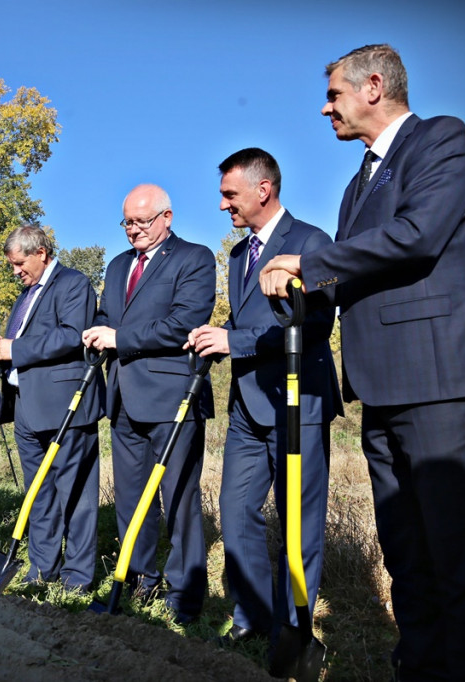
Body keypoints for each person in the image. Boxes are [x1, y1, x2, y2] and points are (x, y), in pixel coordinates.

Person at [260, 44, 465, 680]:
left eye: (334, 95)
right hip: (381, 386)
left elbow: (418, 236)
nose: (325, 108)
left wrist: (309, 265)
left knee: (457, 552)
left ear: (374, 86)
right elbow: (357, 272)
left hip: (441, 378)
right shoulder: (355, 185)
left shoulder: (441, 141)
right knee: (406, 553)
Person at [186, 149, 343, 644]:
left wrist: (236, 342)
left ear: (263, 189)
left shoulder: (311, 243)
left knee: (298, 520)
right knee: (235, 512)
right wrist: (217, 335)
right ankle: (251, 617)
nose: (222, 205)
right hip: (247, 408)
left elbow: (315, 325)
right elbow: (244, 321)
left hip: (298, 404)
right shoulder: (237, 254)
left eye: (229, 195)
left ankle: (292, 630)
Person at [83, 184, 215, 624]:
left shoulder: (194, 258)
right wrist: (97, 331)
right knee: (130, 498)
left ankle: (185, 594)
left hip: (171, 398)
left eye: (142, 221)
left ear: (167, 217)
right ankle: (140, 578)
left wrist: (120, 339)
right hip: (122, 398)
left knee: (178, 498)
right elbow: (107, 316)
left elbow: (184, 322)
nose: (133, 230)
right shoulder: (118, 265)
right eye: (127, 222)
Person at [0, 225, 104, 592]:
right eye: (11, 265)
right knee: (38, 493)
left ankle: (77, 578)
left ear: (41, 253)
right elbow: (21, 341)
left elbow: (71, 334)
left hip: (64, 406)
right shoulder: (25, 296)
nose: (15, 271)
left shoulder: (73, 283)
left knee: (76, 495)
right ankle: (41, 569)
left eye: (19, 263)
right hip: (26, 408)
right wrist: (0, 347)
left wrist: (14, 349)